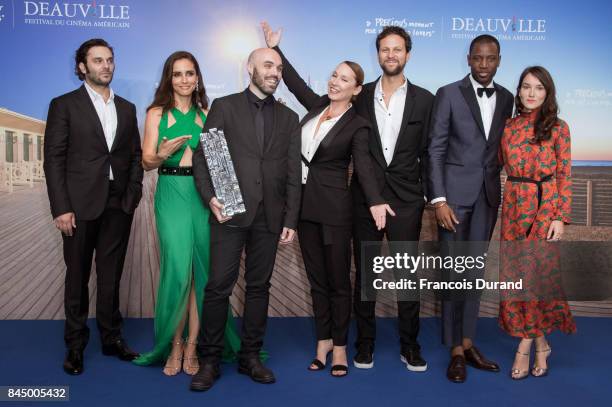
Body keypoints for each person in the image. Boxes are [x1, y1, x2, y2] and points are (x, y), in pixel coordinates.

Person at [262, 22, 391, 377]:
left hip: (335, 211)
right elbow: (294, 83)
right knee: (316, 281)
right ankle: (321, 341)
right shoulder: (317, 106)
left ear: (357, 89)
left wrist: (377, 200)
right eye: (334, 75)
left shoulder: (358, 124)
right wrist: (275, 49)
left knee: (337, 283)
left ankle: (339, 347)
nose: (335, 81)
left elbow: (363, 167)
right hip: (302, 209)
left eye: (344, 78)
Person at [189, 47, 301, 391]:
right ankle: (208, 361)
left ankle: (250, 356)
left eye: (279, 67)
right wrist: (211, 199)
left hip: (270, 216)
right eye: (268, 65)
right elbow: (204, 158)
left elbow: (293, 173)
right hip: (230, 212)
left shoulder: (289, 118)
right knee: (218, 288)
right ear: (249, 68)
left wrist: (291, 219)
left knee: (258, 289)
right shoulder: (225, 107)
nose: (275, 72)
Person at [133, 51, 241, 376]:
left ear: (197, 79)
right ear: (169, 78)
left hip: (202, 197)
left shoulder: (209, 113)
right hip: (170, 194)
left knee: (203, 274)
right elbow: (145, 162)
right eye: (177, 74)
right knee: (178, 270)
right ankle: (173, 343)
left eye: (189, 74)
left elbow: (221, 169)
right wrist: (161, 154)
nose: (183, 80)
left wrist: (232, 207)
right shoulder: (156, 113)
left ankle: (194, 346)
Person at [43, 38, 143, 375]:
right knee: (77, 277)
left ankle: (112, 338)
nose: (106, 66)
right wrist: (61, 207)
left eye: (110, 60)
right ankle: (75, 344)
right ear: (83, 67)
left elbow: (133, 156)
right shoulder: (64, 105)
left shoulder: (127, 108)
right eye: (98, 60)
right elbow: (54, 160)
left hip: (119, 204)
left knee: (111, 276)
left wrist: (132, 195)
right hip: (79, 205)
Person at [427, 34, 514, 383]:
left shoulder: (507, 98)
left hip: (488, 198)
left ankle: (468, 341)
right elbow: (434, 149)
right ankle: (455, 351)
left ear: (498, 60)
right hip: (453, 200)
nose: (483, 65)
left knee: (472, 273)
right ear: (468, 59)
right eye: (477, 58)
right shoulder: (448, 93)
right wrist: (439, 200)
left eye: (490, 59)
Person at [351, 26, 434, 372]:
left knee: (406, 277)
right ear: (378, 54)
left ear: (408, 54)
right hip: (365, 199)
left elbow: (430, 152)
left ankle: (410, 346)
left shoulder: (425, 100)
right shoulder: (360, 95)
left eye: (397, 49)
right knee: (366, 275)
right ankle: (365, 344)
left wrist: (431, 195)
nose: (391, 55)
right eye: (385, 49)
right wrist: (279, 54)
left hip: (406, 201)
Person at [498, 66, 576, 380]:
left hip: (544, 207)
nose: (531, 93)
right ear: (519, 91)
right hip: (514, 205)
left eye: (539, 88)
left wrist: (560, 216)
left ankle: (524, 347)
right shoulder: (508, 126)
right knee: (517, 278)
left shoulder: (559, 127)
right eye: (526, 87)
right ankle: (542, 343)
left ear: (548, 92)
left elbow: (565, 174)